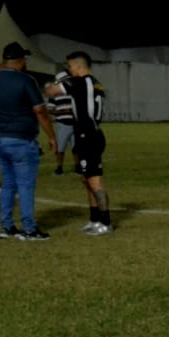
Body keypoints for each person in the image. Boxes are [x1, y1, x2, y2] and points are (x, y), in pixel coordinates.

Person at [0, 41, 55, 240]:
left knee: (8, 183)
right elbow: (40, 110)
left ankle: (6, 226)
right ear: (21, 60)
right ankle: (29, 228)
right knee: (25, 185)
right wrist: (51, 136)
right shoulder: (26, 80)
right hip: (20, 139)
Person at [50, 51, 111, 234]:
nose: (69, 70)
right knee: (86, 179)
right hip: (86, 134)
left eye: (70, 66)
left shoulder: (81, 82)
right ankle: (94, 219)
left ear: (78, 66)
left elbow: (52, 90)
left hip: (89, 135)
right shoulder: (93, 83)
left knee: (94, 181)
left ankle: (106, 222)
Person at [46, 69, 76, 175]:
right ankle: (59, 168)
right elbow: (49, 109)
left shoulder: (73, 91)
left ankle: (78, 167)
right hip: (63, 123)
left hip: (75, 123)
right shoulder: (54, 94)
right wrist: (61, 111)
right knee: (60, 148)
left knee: (76, 147)